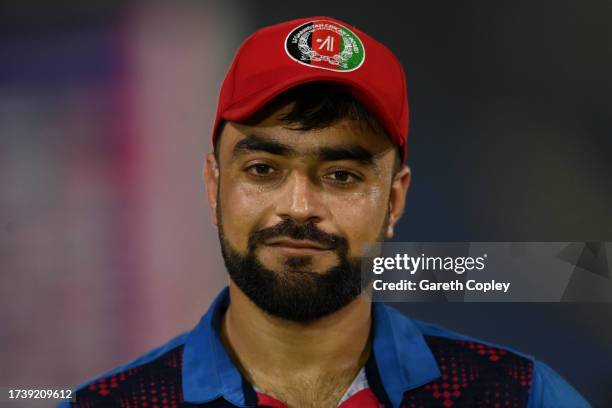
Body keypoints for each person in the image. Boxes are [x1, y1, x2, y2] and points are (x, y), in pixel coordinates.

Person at [62, 16, 590, 408]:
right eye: (264, 169)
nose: (298, 207)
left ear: (395, 201)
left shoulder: (518, 395)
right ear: (213, 184)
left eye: (342, 176)